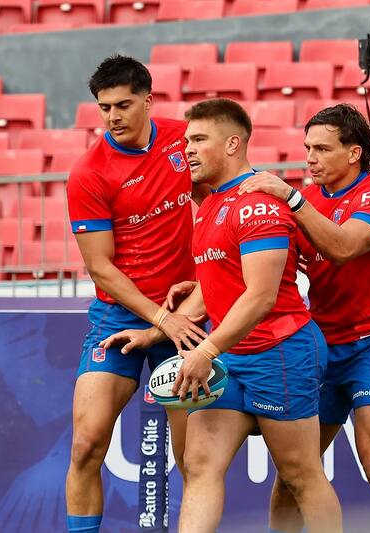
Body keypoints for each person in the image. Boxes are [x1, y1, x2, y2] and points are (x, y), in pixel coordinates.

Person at [107, 98, 342, 533]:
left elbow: (261, 297)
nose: (188, 150)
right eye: (187, 141)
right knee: (199, 464)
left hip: (280, 353)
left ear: (233, 143)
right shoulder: (213, 204)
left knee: (300, 476)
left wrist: (206, 350)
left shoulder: (259, 203)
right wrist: (155, 332)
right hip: (230, 357)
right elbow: (217, 288)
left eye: (199, 140)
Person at [238, 103, 370, 533]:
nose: (310, 158)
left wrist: (290, 198)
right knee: (293, 474)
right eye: (308, 148)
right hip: (319, 346)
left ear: (354, 153)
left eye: (322, 149)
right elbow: (263, 267)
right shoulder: (307, 201)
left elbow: (343, 247)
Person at [64, 55, 208, 533]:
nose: (113, 117)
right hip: (119, 318)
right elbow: (100, 268)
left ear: (148, 101)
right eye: (104, 108)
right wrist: (159, 319)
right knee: (86, 444)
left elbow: (221, 200)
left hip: (186, 316)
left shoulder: (184, 140)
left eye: (123, 105)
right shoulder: (89, 173)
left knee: (193, 459)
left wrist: (200, 288)